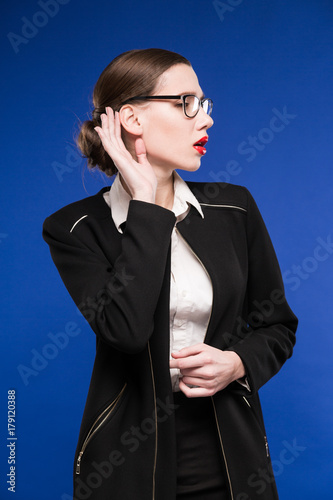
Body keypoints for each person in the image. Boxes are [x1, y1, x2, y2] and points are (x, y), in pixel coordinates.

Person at [43, 48, 298, 500]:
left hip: (231, 457)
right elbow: (125, 330)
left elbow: (277, 326)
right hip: (125, 465)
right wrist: (146, 207)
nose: (205, 119)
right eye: (186, 103)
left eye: (204, 104)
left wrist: (237, 363)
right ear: (131, 119)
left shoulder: (234, 207)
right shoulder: (73, 228)